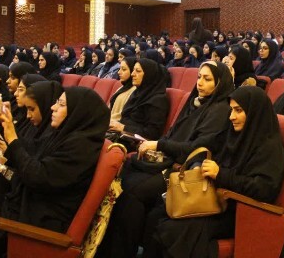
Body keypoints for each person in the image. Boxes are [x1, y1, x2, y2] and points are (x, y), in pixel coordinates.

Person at [0, 84, 110, 258]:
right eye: (56, 102)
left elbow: (37, 176)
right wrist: (5, 126)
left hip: (31, 221)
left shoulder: (81, 147)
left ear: (79, 113)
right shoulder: (63, 136)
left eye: (61, 104)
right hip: (23, 200)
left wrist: (12, 138)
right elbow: (29, 152)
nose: (53, 108)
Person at [98, 61, 234, 258]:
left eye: (207, 79)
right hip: (169, 160)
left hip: (182, 169)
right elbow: (172, 134)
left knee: (133, 192)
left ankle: (123, 251)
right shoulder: (195, 102)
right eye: (199, 77)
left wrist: (159, 145)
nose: (200, 83)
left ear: (219, 83)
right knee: (123, 177)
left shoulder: (220, 109)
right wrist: (159, 146)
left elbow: (197, 147)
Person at [149, 86, 284, 258]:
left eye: (238, 110)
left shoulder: (270, 147)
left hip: (238, 212)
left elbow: (263, 189)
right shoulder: (232, 133)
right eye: (231, 110)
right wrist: (197, 165)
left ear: (254, 113)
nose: (231, 117)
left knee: (175, 229)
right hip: (213, 200)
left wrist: (220, 174)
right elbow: (203, 146)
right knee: (158, 212)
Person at [107, 58, 169, 151]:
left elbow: (152, 133)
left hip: (134, 143)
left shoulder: (158, 100)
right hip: (121, 136)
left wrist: (123, 127)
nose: (132, 74)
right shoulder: (137, 93)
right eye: (133, 70)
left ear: (149, 75)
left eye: (138, 71)